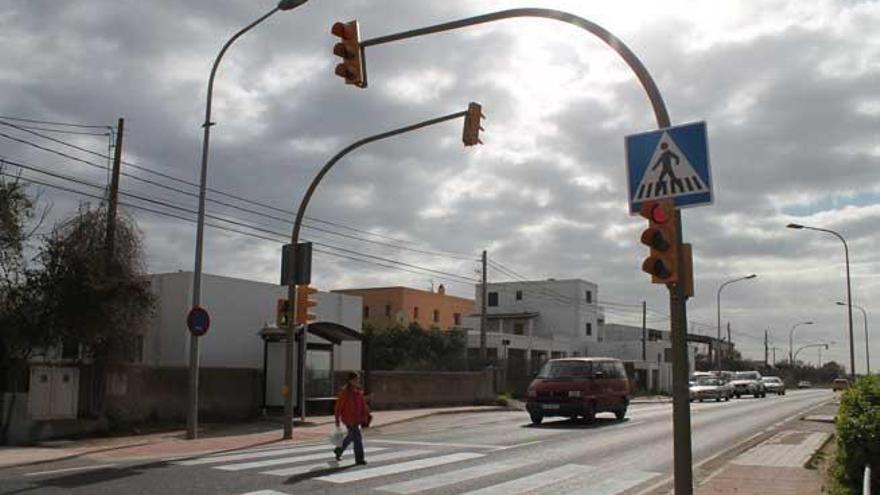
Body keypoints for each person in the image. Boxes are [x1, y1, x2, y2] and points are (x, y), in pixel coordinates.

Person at [334, 371, 371, 465]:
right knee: (357, 438)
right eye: (355, 379)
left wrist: (365, 416)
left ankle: (339, 450)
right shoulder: (345, 392)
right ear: (350, 380)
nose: (357, 381)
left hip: (357, 418)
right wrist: (337, 419)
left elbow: (362, 405)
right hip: (349, 419)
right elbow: (338, 406)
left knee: (351, 437)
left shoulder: (358, 391)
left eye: (358, 379)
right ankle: (359, 459)